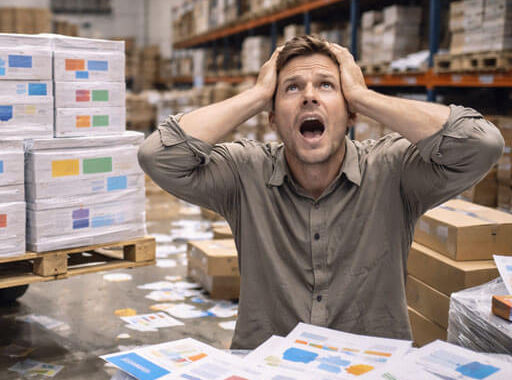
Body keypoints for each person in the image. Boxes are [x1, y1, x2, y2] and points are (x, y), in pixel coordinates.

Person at [138, 35, 504, 349]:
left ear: (351, 114)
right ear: (272, 117)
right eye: (292, 88)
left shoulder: (393, 169)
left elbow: (482, 144)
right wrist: (257, 93)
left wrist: (362, 94)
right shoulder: (244, 172)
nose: (309, 97)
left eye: (327, 86)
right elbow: (158, 156)